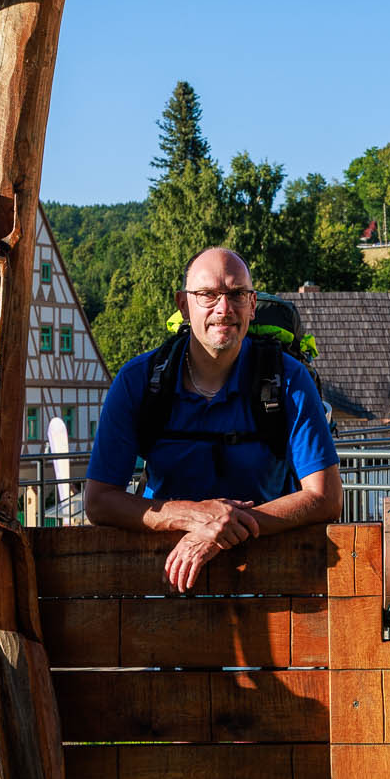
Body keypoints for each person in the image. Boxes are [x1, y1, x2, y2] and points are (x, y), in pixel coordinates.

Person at [83, 247, 341, 591]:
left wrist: (220, 531)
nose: (224, 309)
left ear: (251, 304)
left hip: (271, 583)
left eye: (236, 294)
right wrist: (195, 515)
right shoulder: (138, 381)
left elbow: (326, 498)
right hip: (166, 581)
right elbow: (99, 500)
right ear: (183, 304)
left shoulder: (288, 379)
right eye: (207, 295)